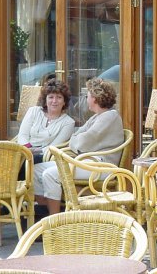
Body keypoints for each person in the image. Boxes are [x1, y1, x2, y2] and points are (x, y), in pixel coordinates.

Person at [34, 78, 124, 216]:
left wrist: (76, 141)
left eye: (87, 96)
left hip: (101, 166)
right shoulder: (97, 117)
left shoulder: (109, 117)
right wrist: (76, 141)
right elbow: (76, 137)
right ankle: (42, 214)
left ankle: (55, 219)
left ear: (94, 98)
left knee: (50, 174)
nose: (86, 99)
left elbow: (81, 143)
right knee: (37, 170)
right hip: (86, 162)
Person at [17, 79, 75, 162]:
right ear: (45, 100)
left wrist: (35, 153)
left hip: (44, 156)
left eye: (59, 97)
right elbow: (23, 135)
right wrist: (28, 150)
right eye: (51, 97)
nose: (54, 101)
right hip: (25, 150)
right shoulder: (33, 111)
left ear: (64, 102)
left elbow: (54, 147)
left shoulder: (68, 123)